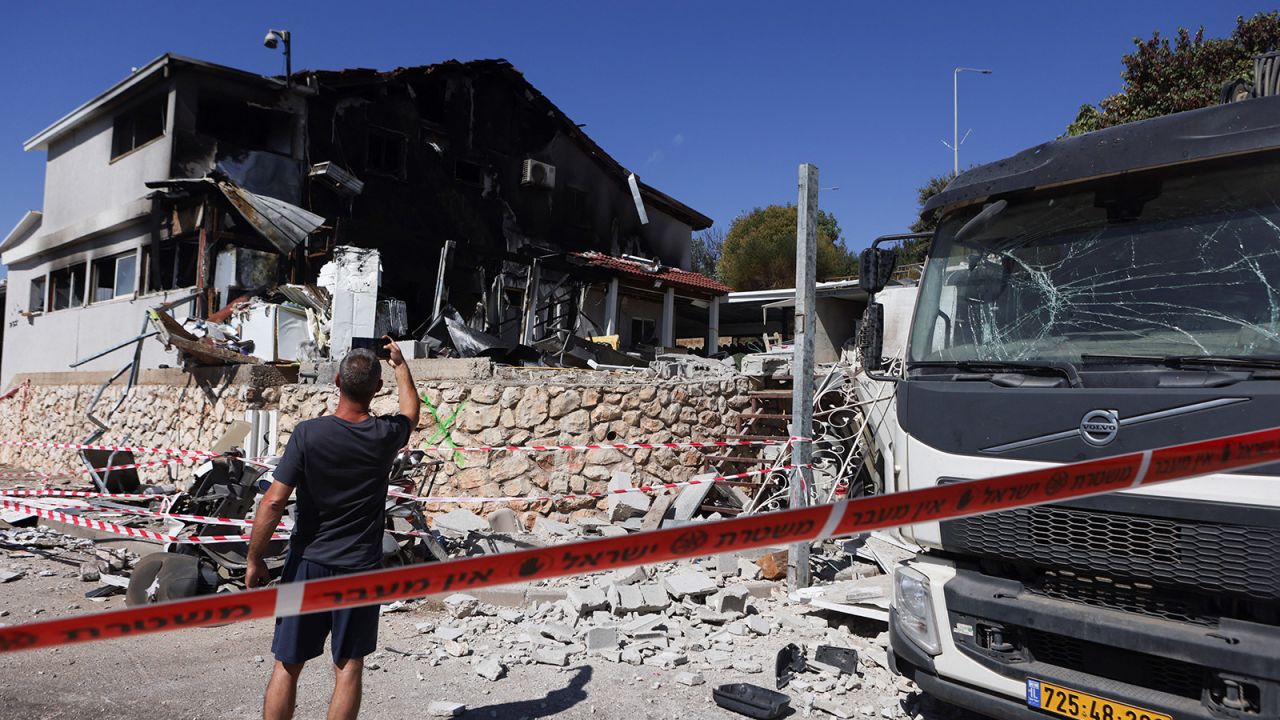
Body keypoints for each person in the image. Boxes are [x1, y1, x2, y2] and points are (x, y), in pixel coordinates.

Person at [246, 337, 419, 720]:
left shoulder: (308, 434)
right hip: (360, 570)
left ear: (336, 382)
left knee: (286, 664)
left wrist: (255, 559)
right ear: (376, 389)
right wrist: (400, 365)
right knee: (349, 667)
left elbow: (273, 501)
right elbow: (411, 412)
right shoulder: (385, 435)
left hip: (301, 568)